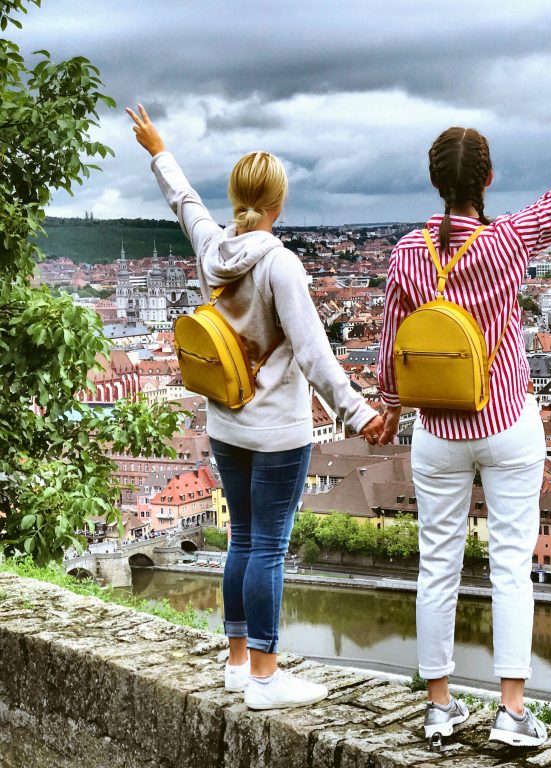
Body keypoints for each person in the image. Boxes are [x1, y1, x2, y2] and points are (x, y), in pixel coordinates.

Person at [375, 52, 551, 746]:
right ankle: (511, 712)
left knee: (436, 565)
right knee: (511, 565)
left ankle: (439, 707)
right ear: (489, 181)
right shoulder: (509, 240)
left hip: (437, 433)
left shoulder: (405, 253)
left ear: (434, 183)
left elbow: (393, 348)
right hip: (506, 418)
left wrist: (387, 404)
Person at [127, 105, 384, 710]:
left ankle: (238, 663)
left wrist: (158, 149)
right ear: (279, 206)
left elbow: (184, 204)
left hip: (224, 424)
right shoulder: (280, 263)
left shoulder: (214, 249)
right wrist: (358, 413)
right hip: (275, 432)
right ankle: (268, 677)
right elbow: (316, 357)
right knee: (267, 546)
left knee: (242, 539)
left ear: (238, 199)